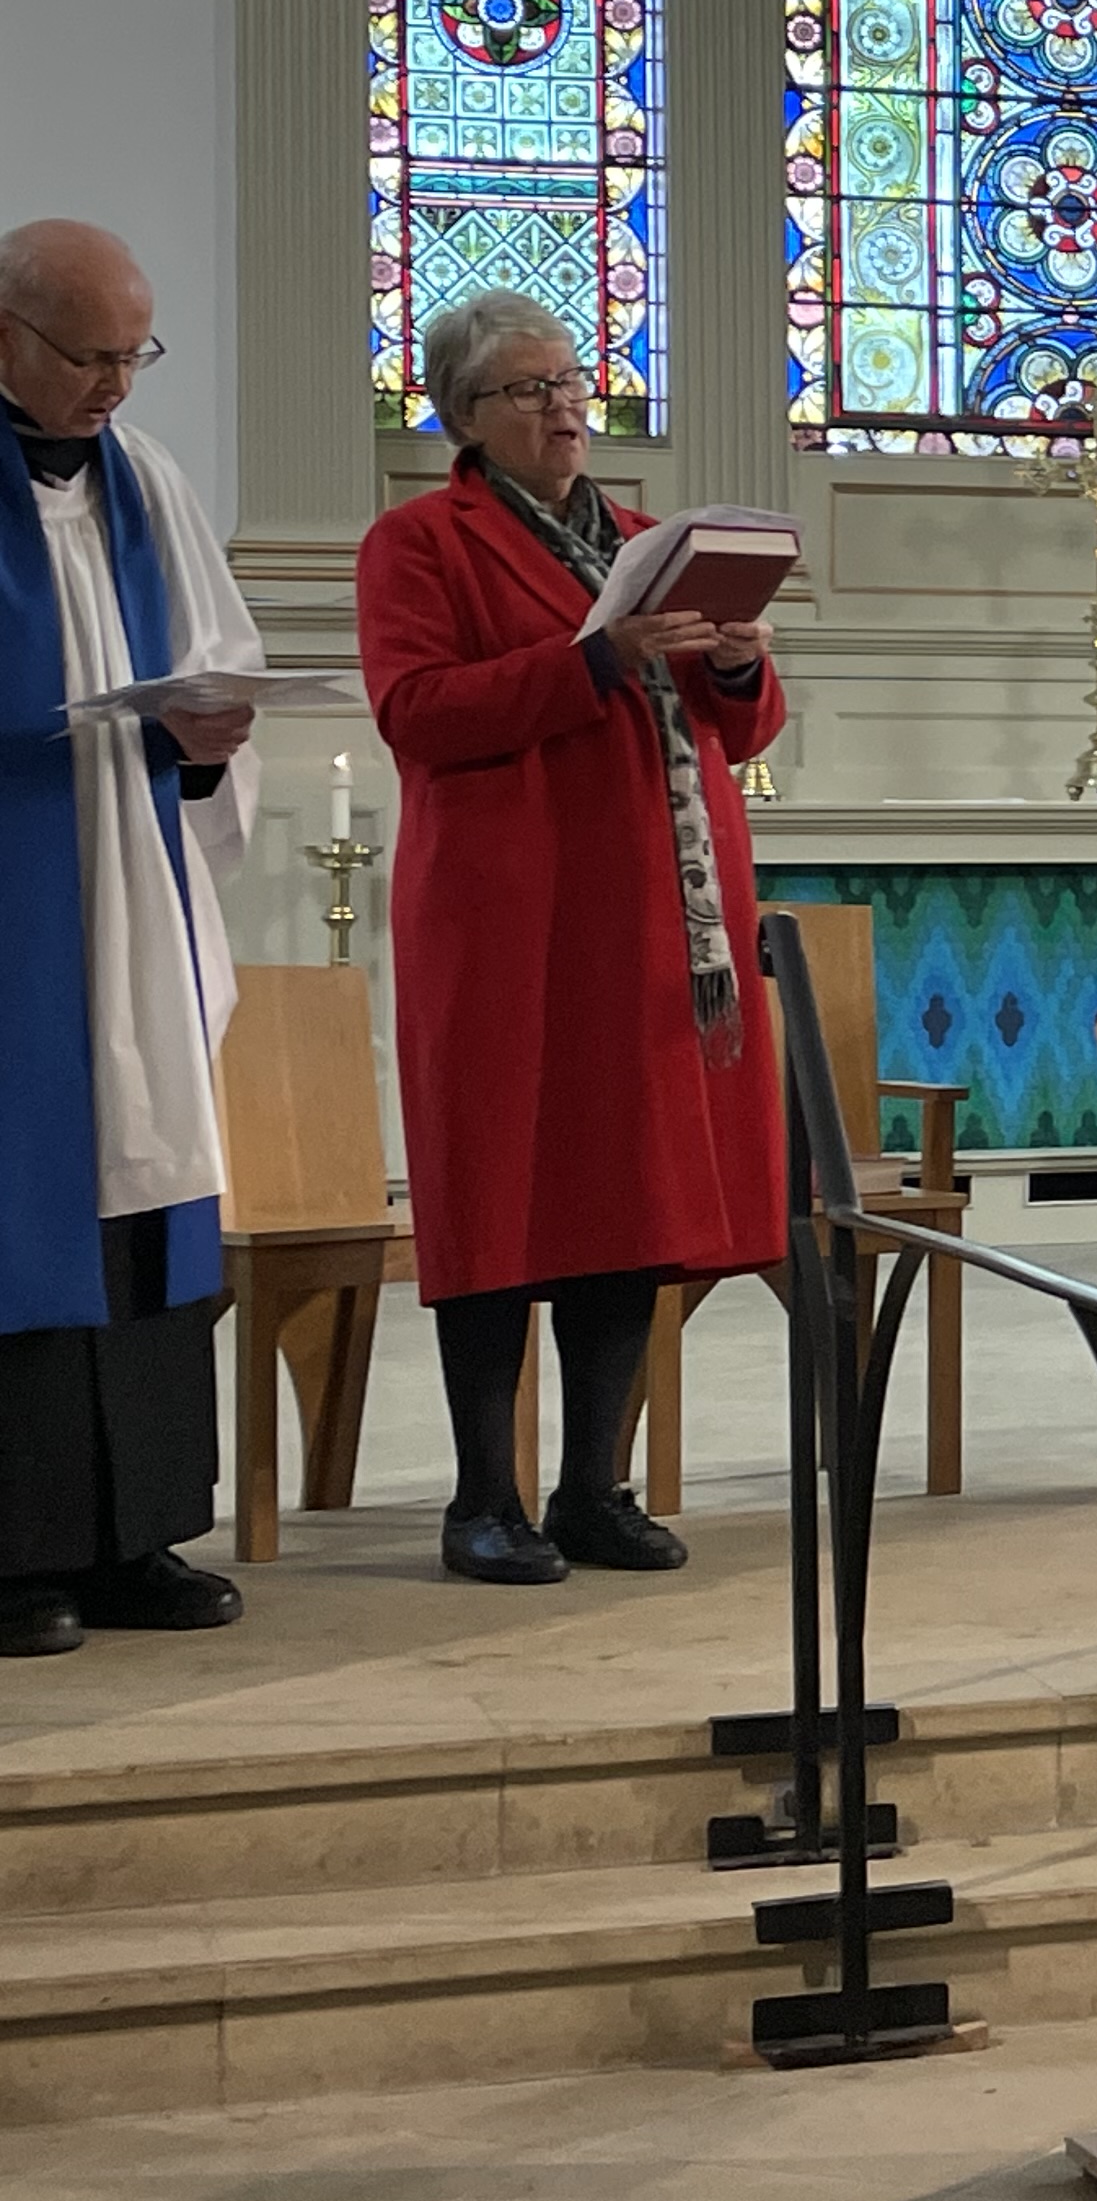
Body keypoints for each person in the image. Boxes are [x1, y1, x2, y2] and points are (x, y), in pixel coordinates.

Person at [356, 292, 788, 1585]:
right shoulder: (417, 544)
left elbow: (744, 734)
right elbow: (418, 710)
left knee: (628, 1201)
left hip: (649, 926)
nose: (564, 406)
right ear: (466, 418)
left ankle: (593, 1485)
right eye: (531, 388)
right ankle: (481, 1497)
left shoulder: (652, 541)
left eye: (570, 381)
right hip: (507, 927)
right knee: (498, 1201)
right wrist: (594, 660)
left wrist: (736, 660)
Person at [0, 222, 262, 1656]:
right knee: (20, 1195)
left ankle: (136, 1533)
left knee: (145, 1177)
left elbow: (209, 658)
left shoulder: (145, 484)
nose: (116, 384)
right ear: (5, 334)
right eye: (90, 355)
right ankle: (14, 1553)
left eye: (132, 356)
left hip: (132, 889)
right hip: (16, 911)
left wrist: (209, 745)